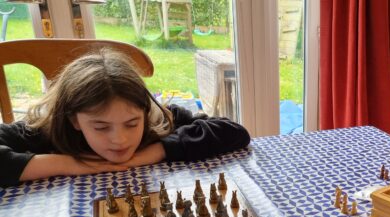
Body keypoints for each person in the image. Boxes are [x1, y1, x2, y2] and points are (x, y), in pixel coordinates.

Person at [0, 48, 250, 187]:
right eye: (100, 127)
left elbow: (234, 132)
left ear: (144, 112)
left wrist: (157, 151)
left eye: (132, 124)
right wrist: (69, 164)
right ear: (74, 120)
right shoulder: (49, 131)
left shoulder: (159, 120)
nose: (119, 139)